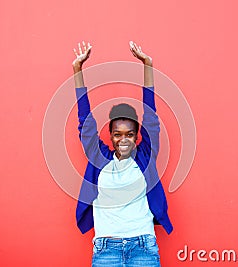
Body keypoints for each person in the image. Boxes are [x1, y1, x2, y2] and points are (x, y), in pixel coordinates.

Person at [72, 40, 173, 267]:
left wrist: (148, 65)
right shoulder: (99, 158)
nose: (123, 139)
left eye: (129, 134)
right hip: (106, 248)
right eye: (118, 134)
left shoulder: (145, 156)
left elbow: (150, 115)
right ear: (110, 135)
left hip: (143, 247)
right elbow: (85, 122)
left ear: (137, 136)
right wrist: (77, 71)